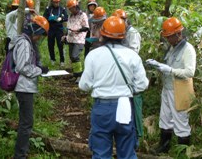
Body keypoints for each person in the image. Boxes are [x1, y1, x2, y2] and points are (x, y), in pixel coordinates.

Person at [79, 16, 149, 159]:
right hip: (125, 106)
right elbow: (142, 84)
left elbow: (84, 85)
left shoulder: (93, 55)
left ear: (102, 35)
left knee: (101, 153)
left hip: (102, 108)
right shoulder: (132, 56)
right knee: (127, 152)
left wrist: (99, 85)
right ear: (124, 36)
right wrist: (128, 90)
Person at [146, 17, 196, 154]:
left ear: (178, 34)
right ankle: (164, 146)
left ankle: (182, 152)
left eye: (170, 37)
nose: (168, 39)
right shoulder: (172, 48)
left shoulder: (188, 49)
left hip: (180, 89)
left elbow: (190, 71)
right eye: (166, 37)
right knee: (165, 118)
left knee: (181, 121)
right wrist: (158, 65)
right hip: (167, 88)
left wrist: (171, 70)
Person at [9, 15, 49, 159]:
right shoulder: (25, 43)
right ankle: (20, 155)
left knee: (26, 122)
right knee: (26, 123)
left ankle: (21, 153)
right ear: (34, 30)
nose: (39, 38)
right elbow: (22, 67)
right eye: (39, 35)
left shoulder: (25, 41)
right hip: (23, 87)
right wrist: (39, 70)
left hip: (25, 87)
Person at [112, 9, 143, 141]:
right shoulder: (122, 32)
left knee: (134, 106)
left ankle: (136, 137)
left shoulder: (132, 33)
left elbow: (134, 52)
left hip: (132, 74)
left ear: (125, 20)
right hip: (122, 74)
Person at [62, 0, 89, 83]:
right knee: (72, 57)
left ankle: (80, 75)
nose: (70, 10)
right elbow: (68, 27)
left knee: (75, 56)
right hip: (71, 39)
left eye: (71, 8)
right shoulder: (70, 16)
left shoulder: (83, 15)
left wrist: (78, 30)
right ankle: (75, 74)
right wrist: (65, 35)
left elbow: (86, 27)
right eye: (69, 9)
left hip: (79, 39)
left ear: (76, 7)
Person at [43, 0, 68, 67]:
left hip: (59, 29)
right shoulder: (48, 9)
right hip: (50, 29)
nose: (56, 3)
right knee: (50, 44)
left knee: (60, 45)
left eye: (57, 2)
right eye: (55, 2)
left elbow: (66, 17)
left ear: (59, 1)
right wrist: (50, 18)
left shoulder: (62, 9)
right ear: (52, 1)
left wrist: (61, 18)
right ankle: (52, 59)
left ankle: (62, 60)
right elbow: (44, 18)